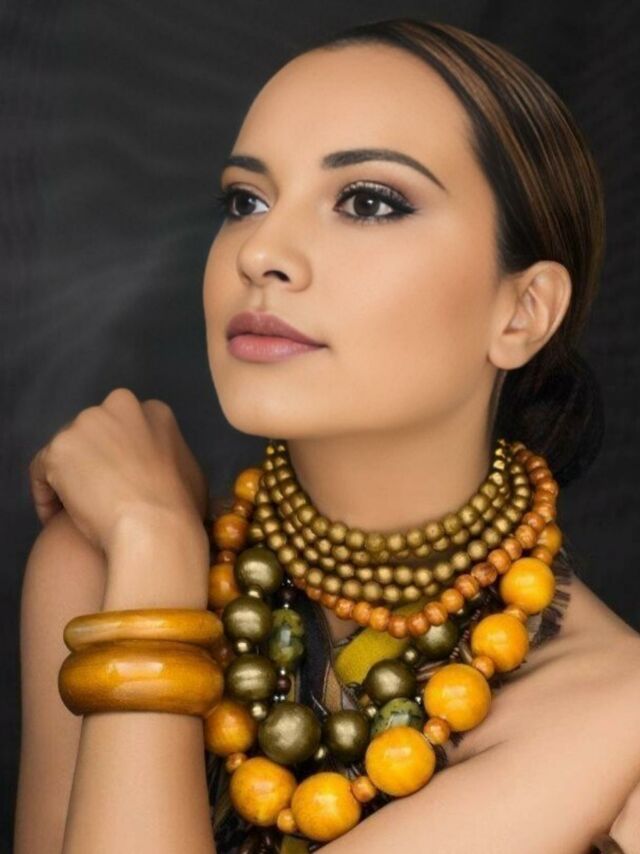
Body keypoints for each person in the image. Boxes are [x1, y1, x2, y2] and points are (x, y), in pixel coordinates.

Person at [14, 16, 640, 854]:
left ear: (523, 312)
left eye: (368, 202)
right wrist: (148, 546)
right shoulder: (94, 567)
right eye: (246, 201)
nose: (262, 252)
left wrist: (154, 558)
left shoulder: (616, 711)